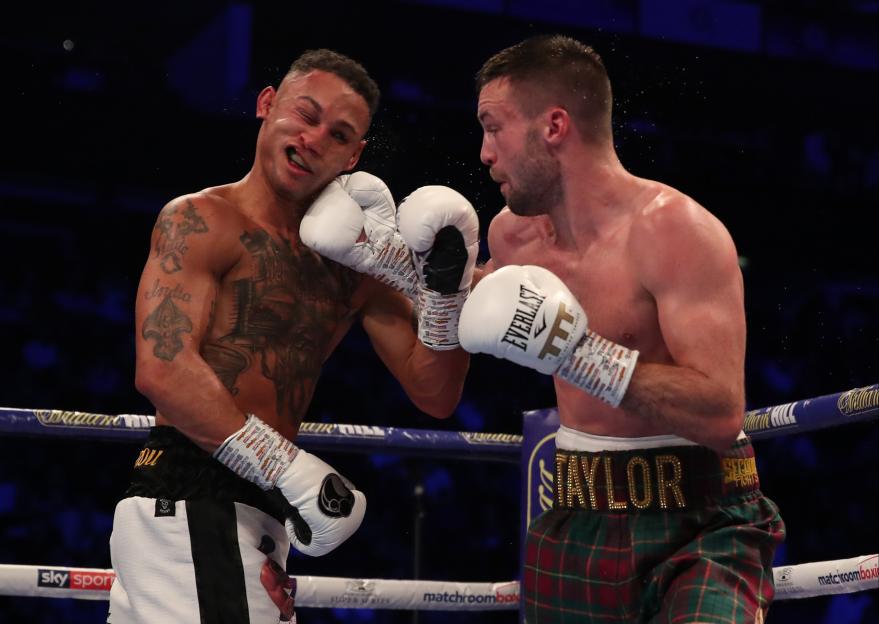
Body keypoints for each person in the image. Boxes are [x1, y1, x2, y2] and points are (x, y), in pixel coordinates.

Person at [110, 48, 478, 623]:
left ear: (354, 155)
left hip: (252, 513)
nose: (313, 139)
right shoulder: (201, 219)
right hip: (191, 495)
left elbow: (435, 392)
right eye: (305, 115)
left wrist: (444, 295)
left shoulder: (356, 263)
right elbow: (161, 370)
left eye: (338, 135)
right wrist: (286, 468)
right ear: (266, 105)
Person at [459, 35, 785, 622]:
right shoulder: (511, 238)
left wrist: (579, 356)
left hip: (703, 522)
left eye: (493, 126)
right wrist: (415, 278)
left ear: (554, 126)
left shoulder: (675, 231)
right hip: (579, 513)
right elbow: (469, 332)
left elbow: (720, 411)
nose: (484, 152)